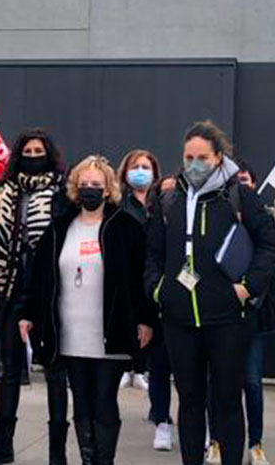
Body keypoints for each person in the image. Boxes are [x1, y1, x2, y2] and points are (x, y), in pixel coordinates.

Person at [144, 121, 275, 465]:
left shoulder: (239, 196)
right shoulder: (169, 199)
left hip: (228, 318)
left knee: (228, 400)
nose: (194, 164)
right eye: (189, 157)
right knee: (189, 400)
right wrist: (159, 289)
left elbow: (269, 245)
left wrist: (247, 287)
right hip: (180, 318)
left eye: (202, 157)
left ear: (219, 157)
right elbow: (153, 254)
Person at [21, 155, 150, 465]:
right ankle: (88, 459)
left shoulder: (126, 227)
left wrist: (145, 319)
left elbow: (139, 277)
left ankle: (104, 461)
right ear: (75, 189)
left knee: (104, 399)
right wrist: (29, 313)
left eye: (97, 185)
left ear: (108, 190)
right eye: (85, 184)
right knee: (80, 401)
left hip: (110, 331)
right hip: (70, 333)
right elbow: (40, 277)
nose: (90, 189)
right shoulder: (59, 228)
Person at [0, 128, 71, 465]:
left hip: (50, 290)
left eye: (38, 151)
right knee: (9, 370)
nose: (33, 156)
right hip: (10, 286)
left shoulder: (63, 192)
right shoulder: (2, 191)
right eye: (28, 151)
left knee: (55, 371)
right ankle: (2, 445)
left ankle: (56, 452)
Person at [120, 148, 174, 452]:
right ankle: (161, 418)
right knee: (157, 361)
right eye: (135, 166)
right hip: (135, 289)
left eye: (146, 166)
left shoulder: (164, 202)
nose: (140, 171)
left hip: (161, 285)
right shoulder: (119, 204)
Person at [235, 161, 275, 465]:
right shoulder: (217, 214)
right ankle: (216, 440)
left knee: (251, 380)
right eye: (236, 180)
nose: (241, 184)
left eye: (245, 179)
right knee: (219, 381)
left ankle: (256, 443)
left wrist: (250, 294)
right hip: (219, 311)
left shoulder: (265, 218)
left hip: (253, 309)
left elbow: (269, 259)